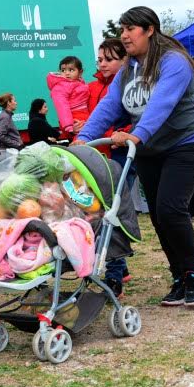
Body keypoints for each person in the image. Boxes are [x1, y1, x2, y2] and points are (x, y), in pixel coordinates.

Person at [74, 6, 194, 307]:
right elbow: (109, 107)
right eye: (121, 29)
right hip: (149, 151)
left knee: (171, 208)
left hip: (184, 145)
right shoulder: (127, 71)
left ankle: (193, 274)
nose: (123, 35)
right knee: (160, 216)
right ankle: (179, 277)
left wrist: (137, 134)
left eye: (130, 29)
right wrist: (81, 141)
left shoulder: (173, 62)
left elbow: (161, 105)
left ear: (149, 30)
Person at [87, 37, 134, 297]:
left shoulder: (128, 87)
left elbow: (135, 119)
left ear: (124, 60)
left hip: (121, 157)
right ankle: (120, 265)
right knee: (100, 213)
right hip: (97, 157)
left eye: (109, 59)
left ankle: (114, 275)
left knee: (111, 215)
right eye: (100, 59)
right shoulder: (93, 87)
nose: (102, 64)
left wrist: (124, 133)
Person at [47, 56, 90, 137]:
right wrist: (69, 126)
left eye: (71, 70)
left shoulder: (79, 83)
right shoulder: (60, 87)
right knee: (84, 141)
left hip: (85, 115)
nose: (67, 73)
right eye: (63, 70)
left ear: (80, 72)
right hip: (75, 118)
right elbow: (62, 107)